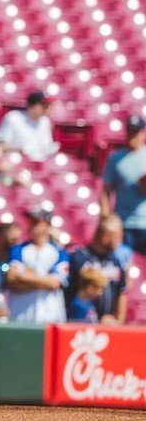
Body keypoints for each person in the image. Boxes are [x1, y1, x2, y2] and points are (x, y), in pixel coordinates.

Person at [5, 207, 69, 323]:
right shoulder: (18, 250)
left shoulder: (59, 252)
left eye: (37, 222)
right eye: (31, 222)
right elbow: (12, 279)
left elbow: (54, 283)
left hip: (50, 317)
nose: (32, 226)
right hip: (21, 316)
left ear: (47, 225)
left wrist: (25, 276)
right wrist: (44, 280)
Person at [67, 215, 128, 324]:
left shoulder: (115, 261)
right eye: (117, 237)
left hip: (108, 324)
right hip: (79, 322)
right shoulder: (79, 257)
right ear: (105, 237)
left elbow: (121, 292)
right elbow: (69, 292)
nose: (119, 242)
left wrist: (119, 322)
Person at [101, 113, 146, 255]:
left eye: (136, 131)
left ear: (143, 133)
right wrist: (106, 217)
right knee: (124, 263)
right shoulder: (115, 158)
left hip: (144, 222)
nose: (133, 135)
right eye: (130, 131)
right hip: (123, 223)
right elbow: (105, 190)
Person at [0, 91, 60, 163]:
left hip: (38, 164)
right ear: (34, 105)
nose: (48, 108)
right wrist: (20, 150)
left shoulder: (45, 121)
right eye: (45, 105)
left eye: (48, 105)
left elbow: (46, 146)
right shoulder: (13, 117)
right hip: (15, 162)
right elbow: (1, 146)